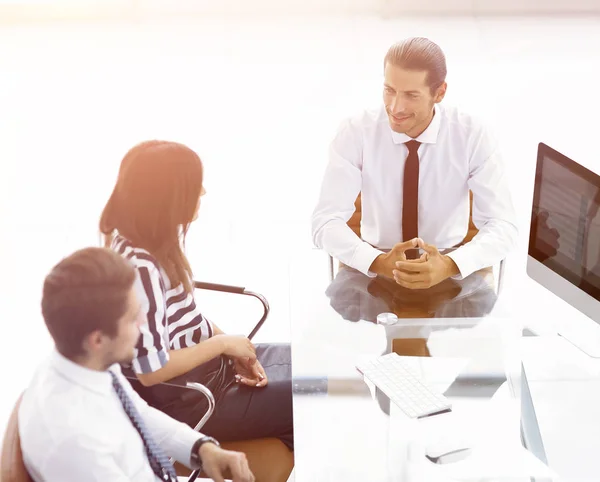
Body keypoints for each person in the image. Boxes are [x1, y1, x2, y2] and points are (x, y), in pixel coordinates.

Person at [99, 140, 294, 455]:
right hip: (192, 398)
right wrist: (221, 345)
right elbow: (151, 372)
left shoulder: (154, 241)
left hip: (211, 370)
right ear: (167, 198)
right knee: (315, 396)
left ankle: (276, 452)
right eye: (194, 185)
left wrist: (230, 345)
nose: (202, 192)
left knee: (317, 366)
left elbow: (184, 315)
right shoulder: (141, 268)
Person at [18, 247, 254, 482]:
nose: (144, 321)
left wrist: (202, 449)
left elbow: (138, 413)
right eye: (133, 317)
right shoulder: (76, 445)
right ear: (98, 339)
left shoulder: (86, 362)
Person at [311, 37, 519, 289]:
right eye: (389, 90)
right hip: (373, 270)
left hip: (451, 269)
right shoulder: (356, 132)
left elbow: (504, 226)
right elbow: (325, 221)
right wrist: (377, 261)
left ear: (440, 92)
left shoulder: (472, 134)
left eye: (411, 95)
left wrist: (451, 264)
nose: (395, 107)